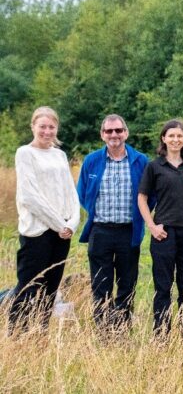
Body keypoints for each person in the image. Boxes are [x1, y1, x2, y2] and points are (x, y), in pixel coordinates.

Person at [8, 106, 80, 334]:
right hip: (37, 231)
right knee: (28, 286)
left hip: (62, 233)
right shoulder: (25, 153)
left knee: (51, 286)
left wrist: (71, 224)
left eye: (51, 127)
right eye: (42, 126)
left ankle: (40, 332)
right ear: (33, 127)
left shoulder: (59, 155)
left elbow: (71, 192)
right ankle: (18, 334)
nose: (47, 131)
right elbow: (30, 196)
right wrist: (59, 224)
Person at [77, 114, 152, 333]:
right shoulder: (92, 160)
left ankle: (121, 328)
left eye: (118, 130)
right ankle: (103, 329)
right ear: (102, 135)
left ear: (126, 133)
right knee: (101, 283)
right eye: (109, 131)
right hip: (100, 231)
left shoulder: (140, 160)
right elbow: (82, 193)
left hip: (128, 231)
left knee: (127, 283)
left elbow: (150, 195)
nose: (114, 135)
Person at [138, 119, 183, 337]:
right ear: (163, 139)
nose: (175, 139)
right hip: (164, 234)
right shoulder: (154, 166)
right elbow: (142, 198)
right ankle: (161, 334)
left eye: (180, 136)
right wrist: (152, 226)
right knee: (163, 286)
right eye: (171, 136)